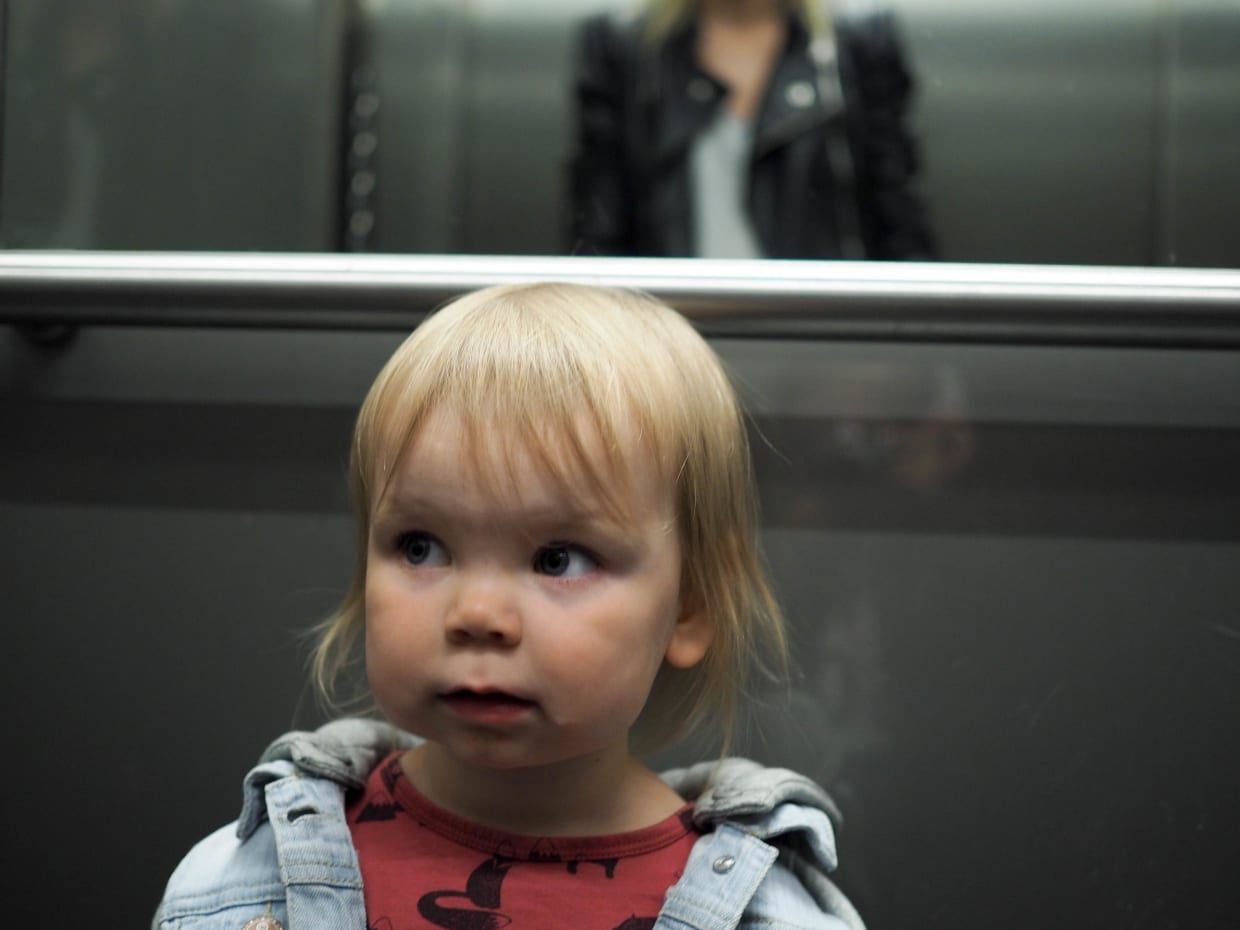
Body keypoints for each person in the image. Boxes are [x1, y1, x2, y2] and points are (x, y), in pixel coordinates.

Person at [151, 283, 864, 930]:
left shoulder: (769, 915)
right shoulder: (246, 887)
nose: (476, 613)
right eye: (422, 547)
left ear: (690, 605)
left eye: (558, 559)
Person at [567, 0, 935, 260]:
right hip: (669, 331)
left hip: (824, 326)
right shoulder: (623, 49)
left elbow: (900, 222)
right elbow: (599, 232)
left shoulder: (856, 44)